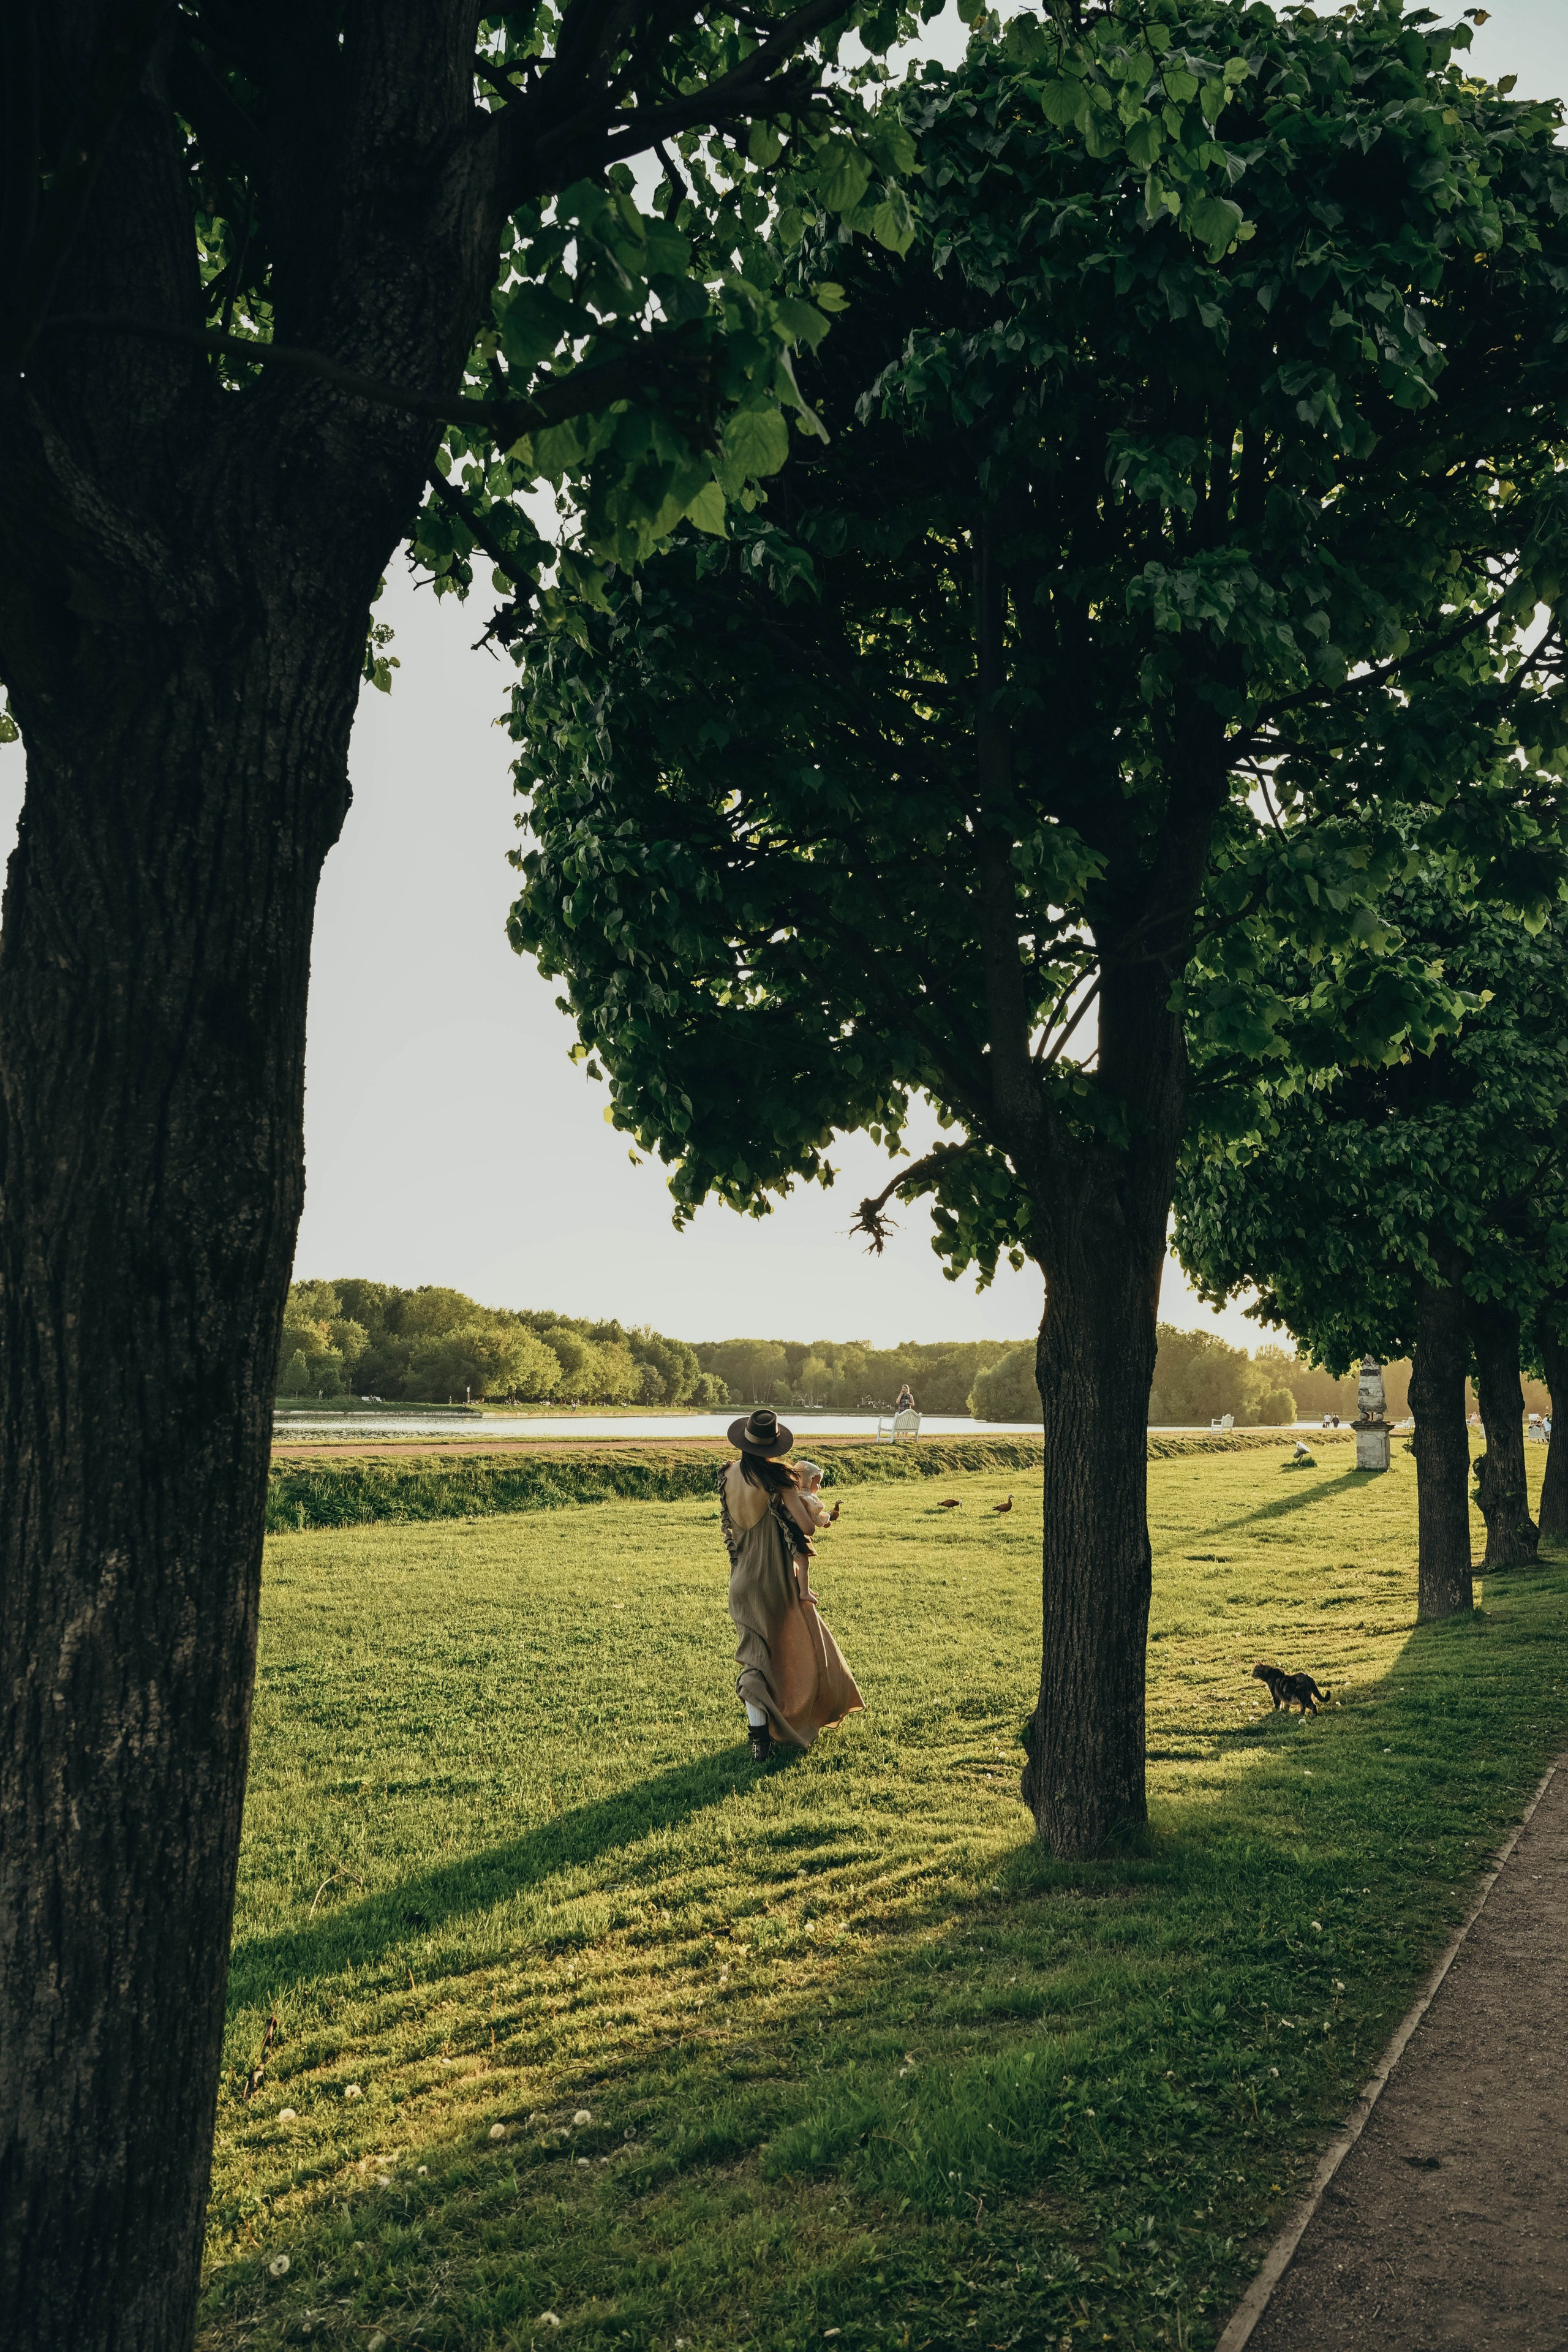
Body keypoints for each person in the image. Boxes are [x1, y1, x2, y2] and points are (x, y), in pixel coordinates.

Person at [718, 1408, 862, 1762]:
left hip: (741, 1580)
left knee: (756, 1657)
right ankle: (794, 1719)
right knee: (794, 1650)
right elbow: (808, 1529)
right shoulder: (779, 1479)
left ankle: (760, 1741)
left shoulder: (727, 1475)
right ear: (774, 1445)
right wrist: (796, 1501)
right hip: (775, 1579)